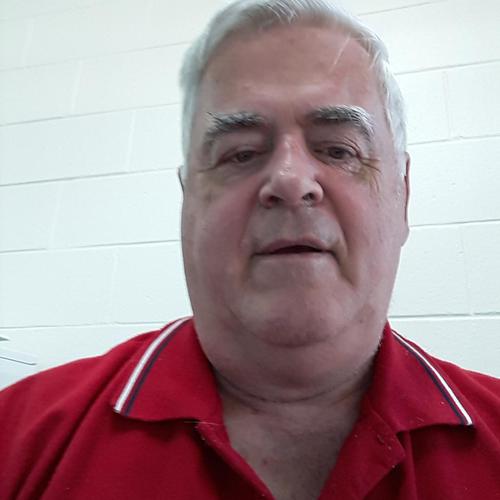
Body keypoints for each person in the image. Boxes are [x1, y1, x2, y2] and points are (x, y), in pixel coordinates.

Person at [1, 0, 500, 498]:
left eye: (338, 149)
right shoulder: (16, 439)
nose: (291, 180)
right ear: (188, 202)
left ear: (402, 195)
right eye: (240, 153)